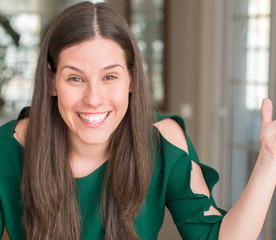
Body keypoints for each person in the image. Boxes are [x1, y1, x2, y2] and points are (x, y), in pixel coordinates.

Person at [0, 2, 275, 240]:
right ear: (52, 81)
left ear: (131, 79)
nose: (93, 99)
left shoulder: (163, 142)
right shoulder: (6, 150)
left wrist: (268, 163)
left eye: (110, 77)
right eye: (75, 78)